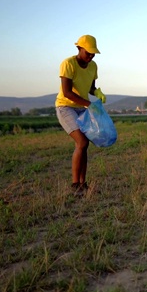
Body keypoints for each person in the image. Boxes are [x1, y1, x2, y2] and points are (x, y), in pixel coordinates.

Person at [56, 35, 106, 196]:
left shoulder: (93, 66)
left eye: (93, 53)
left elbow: (91, 88)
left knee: (85, 145)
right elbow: (67, 92)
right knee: (82, 142)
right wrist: (89, 104)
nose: (90, 56)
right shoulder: (68, 64)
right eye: (88, 52)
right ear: (79, 49)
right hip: (66, 107)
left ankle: (83, 184)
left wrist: (97, 92)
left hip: (82, 107)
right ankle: (75, 184)